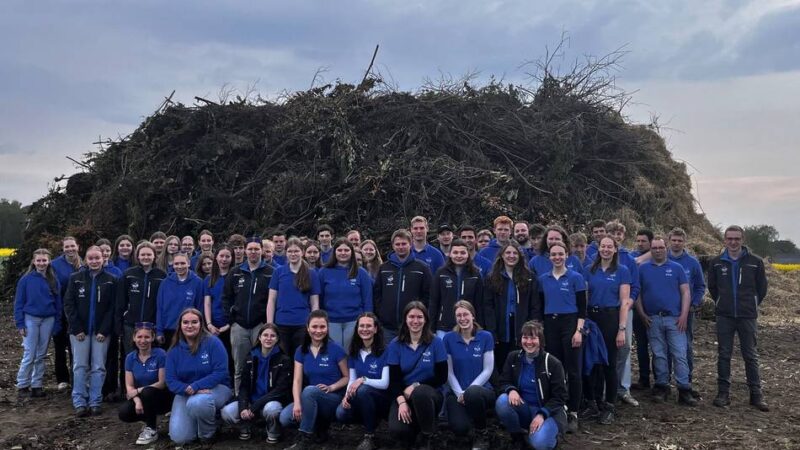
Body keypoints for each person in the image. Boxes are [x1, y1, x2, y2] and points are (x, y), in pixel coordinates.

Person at [708, 225, 769, 411]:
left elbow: (762, 288)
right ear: (724, 240)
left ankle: (756, 394)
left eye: (737, 238)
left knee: (750, 355)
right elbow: (712, 287)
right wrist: (721, 302)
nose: (733, 242)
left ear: (743, 240)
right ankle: (723, 393)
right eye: (730, 238)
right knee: (724, 354)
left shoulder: (755, 262)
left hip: (747, 316)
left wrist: (752, 303)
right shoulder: (716, 262)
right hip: (725, 315)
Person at [636, 236, 696, 406]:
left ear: (666, 248)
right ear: (651, 250)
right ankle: (662, 385)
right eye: (654, 248)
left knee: (679, 353)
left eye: (660, 247)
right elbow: (637, 293)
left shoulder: (676, 268)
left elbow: (685, 292)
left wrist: (684, 315)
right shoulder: (643, 269)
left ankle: (684, 388)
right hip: (653, 318)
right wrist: (641, 313)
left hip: (675, 319)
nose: (657, 250)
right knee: (659, 354)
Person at [279, 310, 349, 449]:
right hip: (309, 398)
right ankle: (319, 428)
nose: (318, 331)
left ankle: (304, 439)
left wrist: (332, 387)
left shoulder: (337, 350)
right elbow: (297, 380)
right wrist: (298, 403)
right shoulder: (301, 350)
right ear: (307, 328)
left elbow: (347, 377)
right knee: (285, 418)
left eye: (322, 327)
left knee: (310, 390)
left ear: (327, 328)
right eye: (314, 327)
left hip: (333, 398)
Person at [495, 320, 567, 450]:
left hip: (548, 412)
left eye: (533, 338)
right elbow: (503, 381)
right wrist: (511, 390)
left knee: (540, 443)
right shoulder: (513, 357)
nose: (529, 342)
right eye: (525, 337)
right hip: (525, 408)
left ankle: (552, 439)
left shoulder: (552, 363)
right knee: (502, 401)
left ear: (541, 340)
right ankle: (517, 437)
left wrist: (542, 414)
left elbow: (560, 397)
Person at [538, 242, 587, 432]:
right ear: (549, 257)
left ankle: (574, 412)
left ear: (567, 255)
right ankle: (559, 407)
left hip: (571, 323)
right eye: (553, 254)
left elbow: (582, 308)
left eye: (560, 254)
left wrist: (578, 331)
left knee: (573, 370)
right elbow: (541, 306)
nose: (557, 257)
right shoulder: (543, 279)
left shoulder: (576, 277)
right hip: (551, 324)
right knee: (554, 369)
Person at [63, 245, 117, 416]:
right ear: (86, 259)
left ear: (103, 259)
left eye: (97, 258)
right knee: (79, 366)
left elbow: (113, 308)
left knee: (99, 367)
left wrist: (104, 330)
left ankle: (95, 401)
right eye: (91, 258)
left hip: (101, 332)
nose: (94, 261)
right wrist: (77, 328)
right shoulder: (76, 278)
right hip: (80, 332)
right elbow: (69, 304)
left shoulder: (111, 280)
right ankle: (79, 401)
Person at [166, 308, 232, 445]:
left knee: (198, 402)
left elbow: (221, 372)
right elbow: (170, 380)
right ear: (180, 325)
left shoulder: (213, 343)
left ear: (201, 324)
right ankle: (200, 421)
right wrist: (189, 389)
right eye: (185, 322)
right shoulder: (174, 350)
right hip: (185, 392)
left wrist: (196, 386)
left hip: (216, 388)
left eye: (194, 322)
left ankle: (207, 434)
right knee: (180, 438)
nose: (190, 326)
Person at [386, 302, 447, 450]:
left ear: (425, 319)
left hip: (430, 395)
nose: (415, 321)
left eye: (419, 317)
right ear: (405, 319)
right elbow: (394, 380)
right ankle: (415, 429)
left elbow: (442, 376)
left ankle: (428, 435)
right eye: (411, 316)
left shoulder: (436, 342)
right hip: (404, 396)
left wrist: (415, 386)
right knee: (397, 430)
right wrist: (401, 402)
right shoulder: (395, 344)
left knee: (420, 393)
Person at [584, 237, 632, 424]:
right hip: (592, 319)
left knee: (609, 363)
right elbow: (585, 298)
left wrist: (621, 329)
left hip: (611, 319)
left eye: (609, 247)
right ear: (598, 249)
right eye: (602, 246)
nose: (605, 249)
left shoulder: (622, 271)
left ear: (615, 249)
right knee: (591, 363)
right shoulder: (589, 270)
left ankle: (610, 405)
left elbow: (624, 303)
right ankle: (593, 403)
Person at [221, 323, 293, 443]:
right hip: (251, 401)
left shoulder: (284, 360)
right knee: (227, 412)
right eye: (265, 335)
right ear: (259, 337)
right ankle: (245, 426)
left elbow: (280, 390)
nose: (268, 338)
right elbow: (243, 386)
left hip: (270, 401)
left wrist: (254, 408)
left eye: (272, 336)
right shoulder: (250, 357)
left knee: (272, 409)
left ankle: (273, 430)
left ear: (277, 339)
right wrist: (244, 407)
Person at [223, 237, 274, 393]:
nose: (253, 252)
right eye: (250, 249)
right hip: (239, 326)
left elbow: (274, 299)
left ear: (262, 251)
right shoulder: (235, 272)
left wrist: (267, 323)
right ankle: (240, 399)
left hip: (261, 326)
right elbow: (226, 297)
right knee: (240, 366)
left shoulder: (270, 272)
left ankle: (260, 397)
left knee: (262, 363)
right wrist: (232, 319)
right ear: (245, 251)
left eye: (256, 249)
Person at [443, 301, 495, 449]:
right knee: (460, 429)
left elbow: (488, 369)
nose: (462, 318)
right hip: (456, 392)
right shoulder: (448, 338)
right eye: (458, 315)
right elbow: (449, 371)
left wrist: (468, 392)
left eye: (465, 314)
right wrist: (460, 392)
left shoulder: (486, 336)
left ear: (473, 315)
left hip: (481, 390)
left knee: (473, 394)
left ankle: (481, 432)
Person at [335, 313, 390, 450]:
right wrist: (346, 396)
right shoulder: (354, 351)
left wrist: (364, 380)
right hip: (362, 396)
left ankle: (369, 436)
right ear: (357, 328)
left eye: (369, 326)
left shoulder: (386, 350)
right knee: (341, 413)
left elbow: (385, 383)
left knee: (363, 389)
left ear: (376, 329)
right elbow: (352, 379)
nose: (365, 329)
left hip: (382, 398)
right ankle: (371, 419)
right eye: (362, 326)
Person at [484, 241, 539, 370]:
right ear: (502, 255)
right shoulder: (491, 278)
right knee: (502, 363)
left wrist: (533, 327)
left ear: (520, 256)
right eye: (508, 252)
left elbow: (535, 305)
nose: (511, 256)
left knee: (520, 363)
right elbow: (488, 306)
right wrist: (492, 330)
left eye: (515, 253)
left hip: (522, 326)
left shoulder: (529, 277)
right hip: (501, 326)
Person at [15, 248, 61, 398]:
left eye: (44, 260)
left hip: (48, 319)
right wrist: (20, 323)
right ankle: (22, 384)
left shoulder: (53, 279)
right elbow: (19, 303)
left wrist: (57, 322)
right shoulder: (26, 279)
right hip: (31, 319)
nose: (41, 263)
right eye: (39, 260)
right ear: (34, 262)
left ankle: (37, 385)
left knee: (41, 354)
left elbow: (58, 303)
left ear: (49, 262)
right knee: (30, 352)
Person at [604, 221, 641, 407]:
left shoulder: (628, 259)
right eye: (612, 232)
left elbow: (635, 285)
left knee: (624, 348)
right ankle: (605, 388)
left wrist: (629, 303)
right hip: (604, 312)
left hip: (624, 310)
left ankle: (623, 388)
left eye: (619, 233)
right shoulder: (598, 256)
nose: (616, 236)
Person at [373, 229, 432, 343]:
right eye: (397, 244)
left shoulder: (422, 268)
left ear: (410, 244)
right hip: (388, 328)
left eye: (404, 244)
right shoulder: (384, 268)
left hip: (413, 326)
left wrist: (420, 313)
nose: (401, 247)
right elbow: (377, 294)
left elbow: (429, 294)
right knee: (389, 359)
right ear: (393, 246)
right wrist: (382, 313)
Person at [118, 322, 172, 446]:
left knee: (148, 392)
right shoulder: (130, 358)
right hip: (142, 397)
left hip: (162, 396)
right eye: (139, 337)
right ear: (134, 338)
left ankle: (151, 429)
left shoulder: (160, 354)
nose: (143, 340)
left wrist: (138, 391)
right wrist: (137, 400)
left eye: (147, 337)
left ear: (153, 338)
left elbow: (162, 383)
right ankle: (148, 420)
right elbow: (130, 386)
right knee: (124, 412)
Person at [116, 241, 167, 369]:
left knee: (151, 358)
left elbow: (163, 302)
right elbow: (120, 301)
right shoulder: (128, 274)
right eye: (142, 254)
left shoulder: (161, 275)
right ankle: (126, 387)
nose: (146, 257)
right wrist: (121, 320)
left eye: (149, 254)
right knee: (130, 357)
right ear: (137, 256)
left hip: (152, 324)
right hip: (131, 324)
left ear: (154, 256)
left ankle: (149, 388)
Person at [667, 228, 706, 389]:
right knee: (665, 347)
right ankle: (665, 380)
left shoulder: (692, 262)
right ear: (669, 241)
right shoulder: (661, 258)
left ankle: (686, 379)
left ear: (685, 242)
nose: (676, 243)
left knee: (686, 345)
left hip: (685, 312)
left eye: (679, 240)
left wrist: (693, 304)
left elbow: (700, 286)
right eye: (674, 240)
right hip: (666, 310)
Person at [267, 237, 321, 355]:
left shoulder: (311, 274)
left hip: (303, 324)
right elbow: (271, 300)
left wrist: (313, 324)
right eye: (290, 251)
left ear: (302, 252)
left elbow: (315, 303)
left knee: (300, 358)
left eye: (296, 251)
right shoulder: (279, 272)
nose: (293, 254)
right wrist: (270, 324)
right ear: (286, 253)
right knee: (282, 359)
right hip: (281, 324)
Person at [318, 239, 373, 350]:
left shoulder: (361, 273)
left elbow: (367, 299)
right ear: (334, 252)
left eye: (346, 250)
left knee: (352, 353)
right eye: (340, 250)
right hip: (331, 321)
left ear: (351, 252)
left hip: (354, 320)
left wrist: (367, 320)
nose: (343, 253)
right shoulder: (324, 272)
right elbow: (319, 298)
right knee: (334, 353)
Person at [429, 239, 484, 337]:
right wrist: (431, 328)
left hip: (468, 327)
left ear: (468, 254)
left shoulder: (476, 274)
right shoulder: (441, 273)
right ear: (450, 254)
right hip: (444, 327)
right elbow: (434, 302)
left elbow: (479, 304)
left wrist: (479, 327)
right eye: (455, 252)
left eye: (463, 253)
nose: (459, 256)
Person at [51, 236, 82, 391]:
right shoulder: (55, 265)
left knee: (75, 346)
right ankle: (62, 379)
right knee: (59, 345)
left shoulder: (83, 263)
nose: (70, 249)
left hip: (78, 311)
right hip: (60, 310)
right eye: (67, 247)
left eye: (72, 246)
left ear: (78, 247)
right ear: (63, 249)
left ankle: (77, 377)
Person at [155, 253, 204, 346]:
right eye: (176, 264)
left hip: (188, 330)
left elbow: (200, 308)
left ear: (188, 263)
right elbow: (160, 308)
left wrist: (199, 330)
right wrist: (159, 331)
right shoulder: (165, 283)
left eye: (182, 263)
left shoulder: (198, 282)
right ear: (173, 265)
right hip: (168, 330)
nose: (179, 266)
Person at [203, 245, 233, 380]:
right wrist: (209, 323)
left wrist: (229, 324)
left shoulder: (236, 277)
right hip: (213, 325)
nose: (224, 259)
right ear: (216, 257)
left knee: (231, 357)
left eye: (227, 256)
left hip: (231, 325)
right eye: (221, 256)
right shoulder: (209, 279)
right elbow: (207, 302)